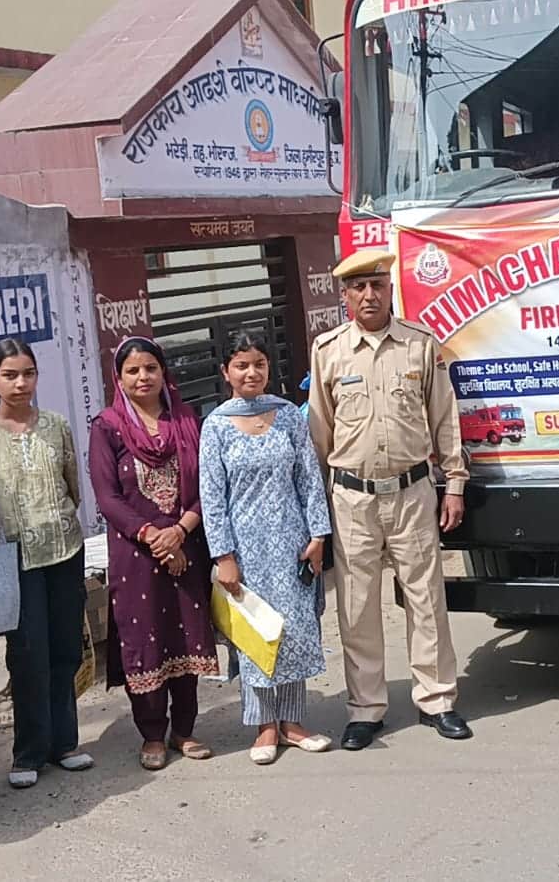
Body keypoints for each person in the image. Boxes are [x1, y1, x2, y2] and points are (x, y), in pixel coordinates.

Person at [308, 249, 473, 750]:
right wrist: (317, 511)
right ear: (345, 297)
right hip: (352, 499)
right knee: (357, 609)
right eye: (358, 288)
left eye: (377, 285)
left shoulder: (421, 346)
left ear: (390, 289)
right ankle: (365, 708)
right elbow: (320, 430)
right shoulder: (328, 351)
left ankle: (438, 698)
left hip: (412, 492)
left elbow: (445, 417)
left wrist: (456, 483)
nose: (369, 295)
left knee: (426, 599)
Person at [0, 338, 94, 790]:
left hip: (64, 550)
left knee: (65, 649)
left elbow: (72, 485)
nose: (21, 383)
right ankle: (29, 751)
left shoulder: (55, 426)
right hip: (14, 559)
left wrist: (57, 524)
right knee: (27, 654)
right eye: (10, 375)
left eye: (28, 373)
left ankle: (66, 743)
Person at [200, 329, 334, 764]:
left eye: (258, 363)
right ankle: (263, 726)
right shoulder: (216, 426)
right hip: (245, 550)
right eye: (241, 365)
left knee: (293, 629)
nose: (251, 372)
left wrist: (318, 536)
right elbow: (211, 495)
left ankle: (293, 723)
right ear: (226, 372)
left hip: (292, 543)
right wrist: (223, 557)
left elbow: (309, 478)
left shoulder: (289, 416)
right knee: (257, 635)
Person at [88, 337, 217, 770]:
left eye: (150, 368)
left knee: (184, 634)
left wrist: (180, 531)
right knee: (144, 641)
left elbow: (207, 486)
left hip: (186, 545)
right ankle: (151, 735)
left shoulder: (186, 421)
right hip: (136, 555)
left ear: (164, 373)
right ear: (119, 378)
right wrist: (154, 537)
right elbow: (107, 497)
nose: (143, 378)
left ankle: (184, 730)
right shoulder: (107, 427)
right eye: (133, 371)